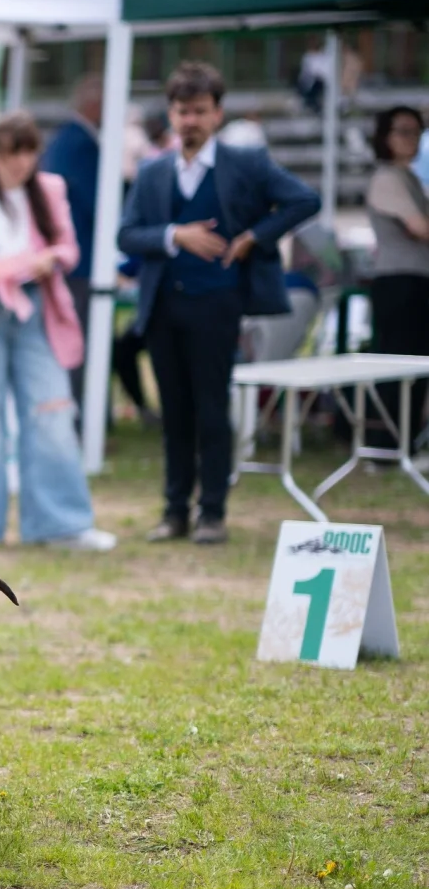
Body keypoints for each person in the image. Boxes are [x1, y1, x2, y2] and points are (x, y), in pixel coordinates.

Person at [118, 62, 319, 545]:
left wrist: (254, 236)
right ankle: (174, 511)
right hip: (163, 307)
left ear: (217, 114)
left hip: (218, 305)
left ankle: (212, 512)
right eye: (182, 111)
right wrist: (175, 235)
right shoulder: (153, 171)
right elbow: (126, 234)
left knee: (212, 409)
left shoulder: (245, 162)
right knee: (175, 412)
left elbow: (305, 199)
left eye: (199, 111)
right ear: (171, 114)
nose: (190, 120)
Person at [0, 112, 116, 552]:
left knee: (52, 412)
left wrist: (50, 259)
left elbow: (69, 248)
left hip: (36, 308)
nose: (21, 163)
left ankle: (60, 525)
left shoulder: (50, 190)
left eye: (29, 152)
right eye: (13, 153)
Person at [363, 106, 429, 451]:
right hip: (399, 282)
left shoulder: (409, 177)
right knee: (397, 365)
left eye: (416, 131)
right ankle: (385, 446)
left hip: (416, 280)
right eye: (403, 131)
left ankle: (404, 442)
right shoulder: (387, 177)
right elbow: (420, 228)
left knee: (416, 365)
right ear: (385, 136)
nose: (411, 139)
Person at [41, 73, 103, 413]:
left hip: (70, 258)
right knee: (76, 341)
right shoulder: (79, 143)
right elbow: (98, 202)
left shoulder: (65, 139)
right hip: (80, 261)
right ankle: (77, 414)